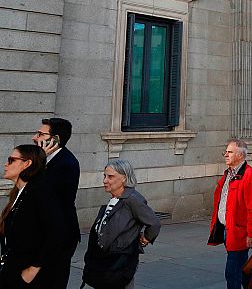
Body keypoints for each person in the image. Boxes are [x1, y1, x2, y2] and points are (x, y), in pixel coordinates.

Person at [82, 159, 161, 289]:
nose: (105, 180)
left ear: (124, 178)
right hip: (105, 261)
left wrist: (145, 238)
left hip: (120, 262)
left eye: (110, 177)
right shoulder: (115, 198)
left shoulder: (132, 199)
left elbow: (154, 223)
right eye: (105, 176)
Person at [0, 145, 66, 288]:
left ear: (27, 163)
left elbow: (57, 233)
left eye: (11, 160)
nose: (6, 164)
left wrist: (32, 270)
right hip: (12, 269)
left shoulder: (40, 192)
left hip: (29, 277)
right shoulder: (21, 192)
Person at [208, 139, 252, 289]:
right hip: (228, 230)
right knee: (240, 269)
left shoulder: (250, 175)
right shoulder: (229, 173)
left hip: (240, 233)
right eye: (225, 152)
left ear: (240, 155)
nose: (225, 154)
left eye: (229, 152)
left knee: (232, 272)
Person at [33, 117, 81, 287]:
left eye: (40, 134)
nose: (34, 137)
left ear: (55, 140)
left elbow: (41, 194)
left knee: (53, 281)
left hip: (59, 237)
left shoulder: (67, 163)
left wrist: (38, 162)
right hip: (45, 234)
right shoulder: (45, 159)